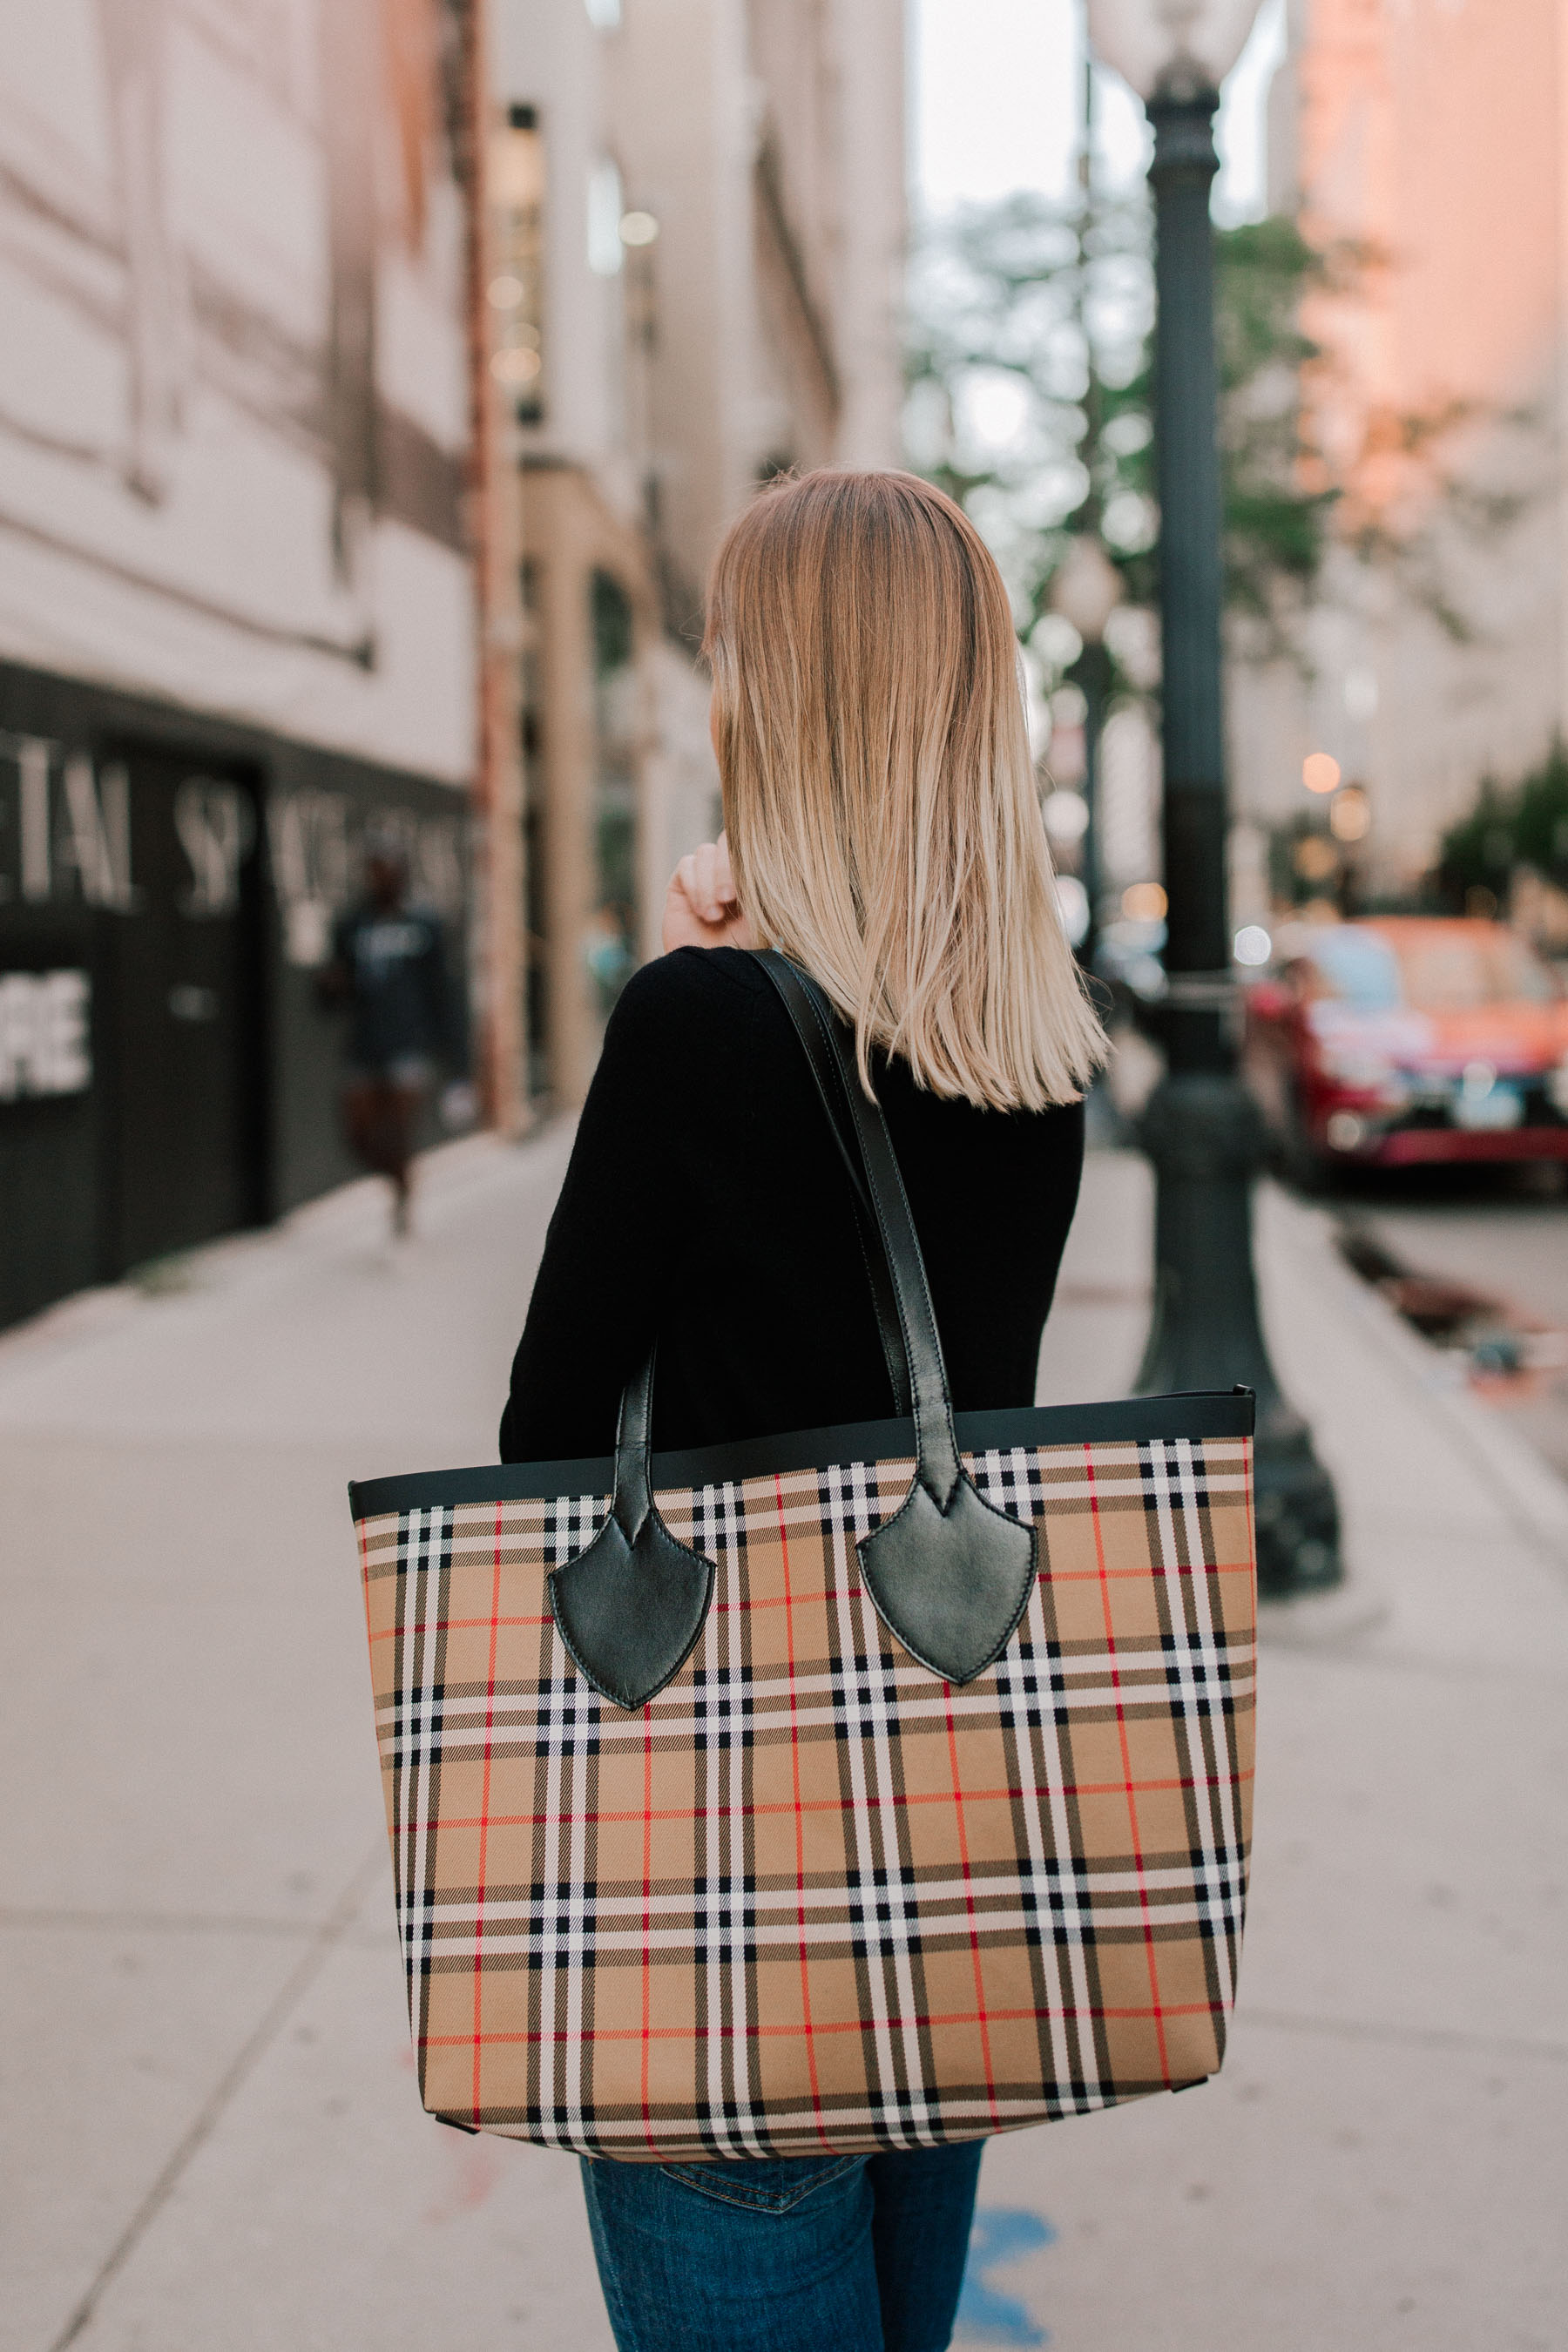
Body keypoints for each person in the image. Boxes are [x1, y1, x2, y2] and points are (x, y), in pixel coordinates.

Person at [499, 470, 1105, 2352]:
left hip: (727, 1889)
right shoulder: (1032, 1044)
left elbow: (545, 1439)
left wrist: (706, 965)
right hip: (940, 1885)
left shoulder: (697, 1028)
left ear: (785, 696)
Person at [318, 834, 471, 1237]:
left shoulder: (424, 923)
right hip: (365, 1044)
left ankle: (402, 1198)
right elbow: (332, 992)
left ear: (401, 873)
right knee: (357, 1134)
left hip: (409, 1044)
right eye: (374, 870)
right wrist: (329, 987)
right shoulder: (352, 924)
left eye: (388, 869)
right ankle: (400, 1182)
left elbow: (443, 992)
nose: (381, 878)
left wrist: (459, 1065)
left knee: (399, 1131)